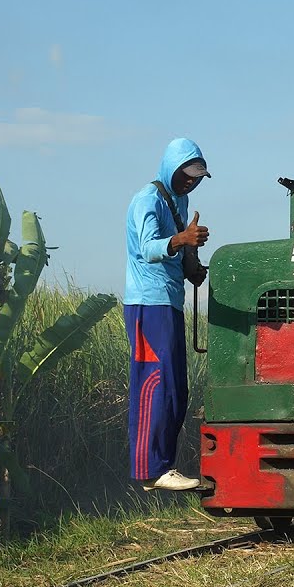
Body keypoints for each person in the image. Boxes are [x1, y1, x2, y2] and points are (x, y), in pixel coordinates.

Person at [123, 138, 211, 492]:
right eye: (185, 175)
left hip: (170, 301)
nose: (190, 182)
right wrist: (182, 239)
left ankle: (164, 465)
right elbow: (147, 248)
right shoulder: (147, 199)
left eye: (196, 177)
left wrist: (191, 262)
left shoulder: (178, 200)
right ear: (169, 168)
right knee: (154, 382)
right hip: (147, 303)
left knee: (176, 388)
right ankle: (149, 469)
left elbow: (173, 247)